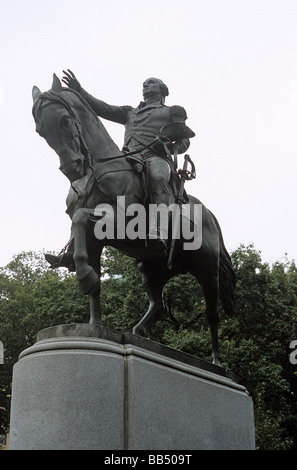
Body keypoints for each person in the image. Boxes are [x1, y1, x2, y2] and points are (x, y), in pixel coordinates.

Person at [46, 71, 193, 269]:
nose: (146, 85)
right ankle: (73, 247)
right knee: (88, 184)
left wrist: (169, 147)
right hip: (129, 157)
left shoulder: (172, 111)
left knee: (157, 176)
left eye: (151, 83)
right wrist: (78, 90)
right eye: (144, 83)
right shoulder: (130, 112)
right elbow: (100, 107)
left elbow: (183, 141)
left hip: (156, 157)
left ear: (162, 90)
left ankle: (158, 231)